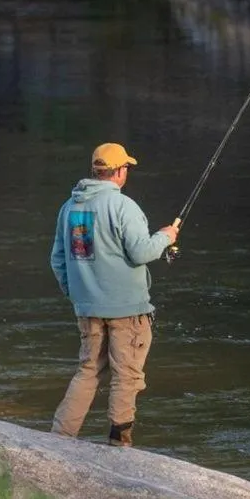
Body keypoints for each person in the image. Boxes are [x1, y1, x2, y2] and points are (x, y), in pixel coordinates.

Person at [50, 142, 179, 447]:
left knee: (88, 371)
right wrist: (165, 237)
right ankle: (119, 444)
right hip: (128, 310)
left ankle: (58, 440)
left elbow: (58, 260)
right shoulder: (123, 206)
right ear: (120, 171)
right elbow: (141, 252)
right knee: (126, 375)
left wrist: (78, 295)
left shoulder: (69, 207)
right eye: (127, 168)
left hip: (87, 309)